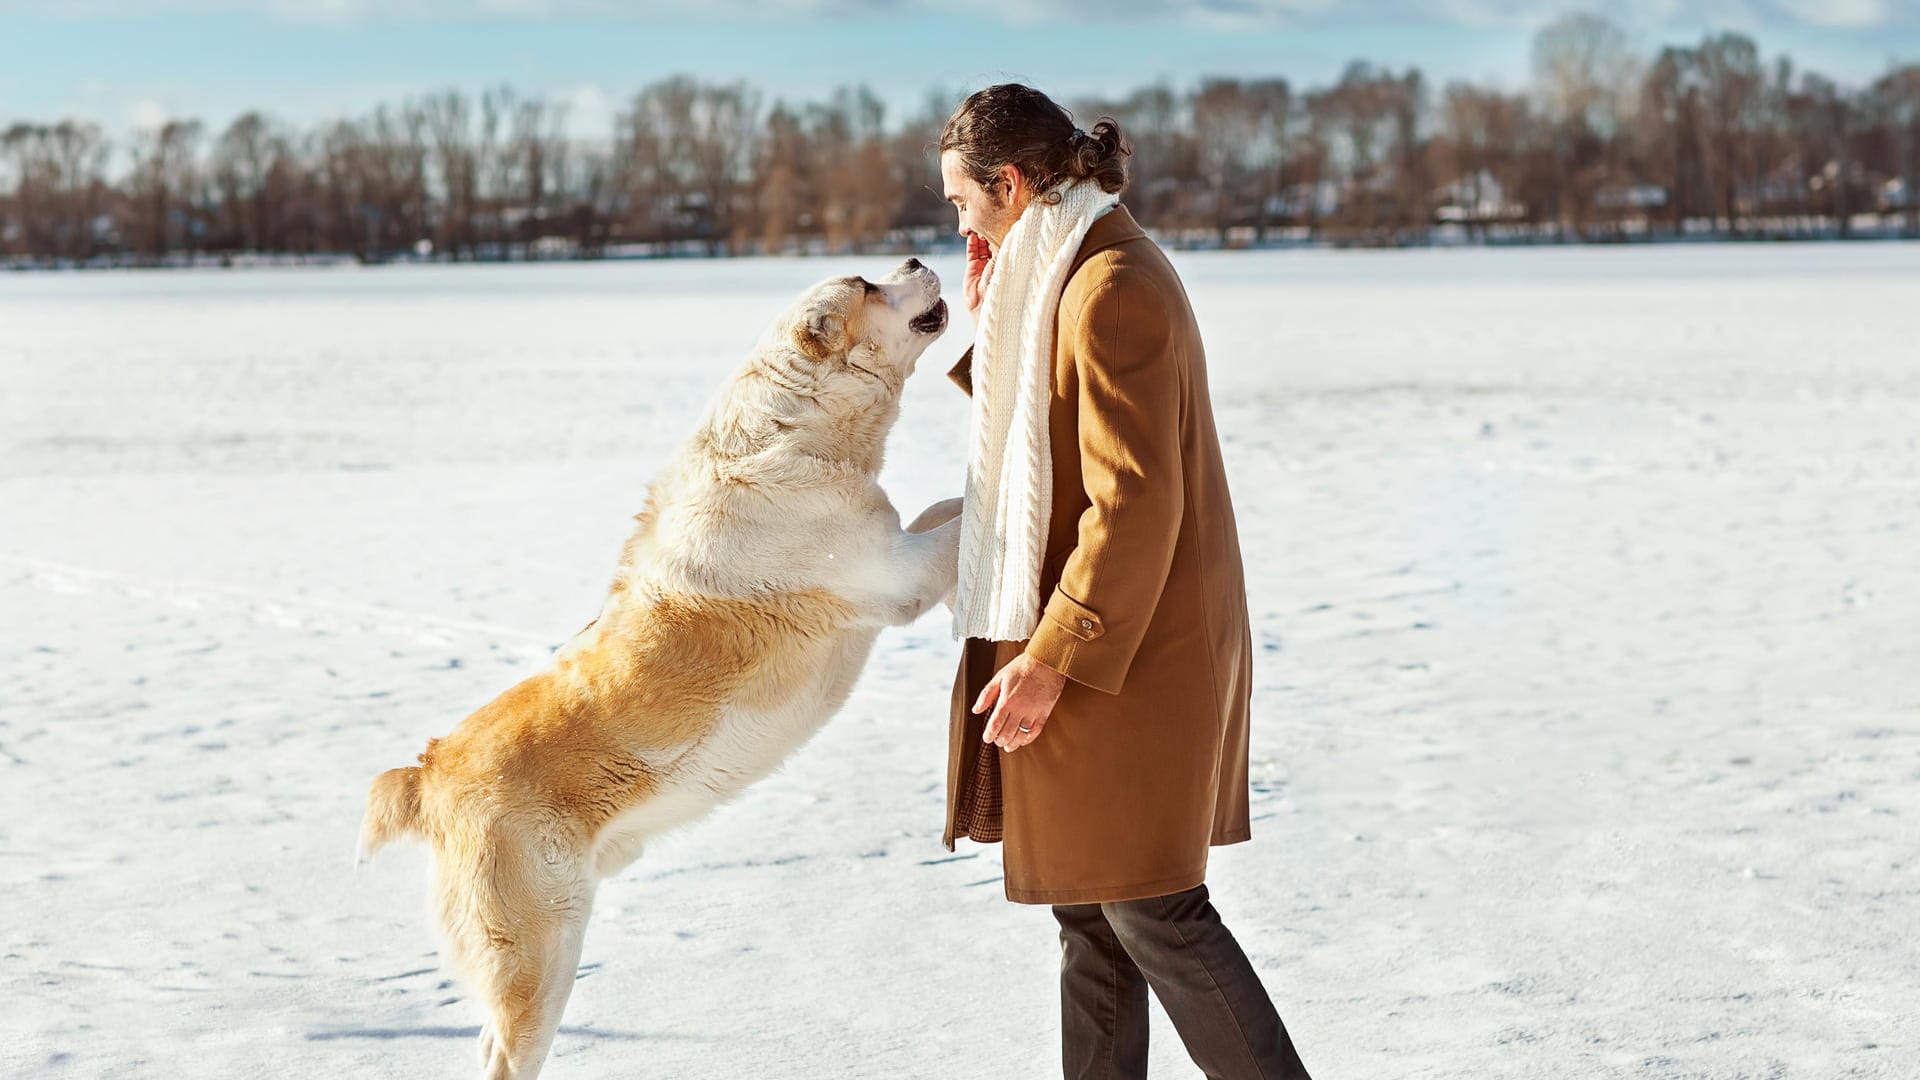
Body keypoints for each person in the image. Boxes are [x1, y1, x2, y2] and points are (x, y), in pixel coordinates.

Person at [935, 83, 1315, 1080]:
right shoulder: (1067, 270)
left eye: (964, 201)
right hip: (1108, 635)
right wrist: (996, 322)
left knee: (1152, 907)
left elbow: (1133, 504)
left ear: (1010, 184)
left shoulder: (1110, 288)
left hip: (1132, 652)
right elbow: (1050, 424)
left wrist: (1055, 659)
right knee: (1095, 913)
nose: (958, 222)